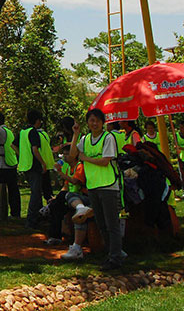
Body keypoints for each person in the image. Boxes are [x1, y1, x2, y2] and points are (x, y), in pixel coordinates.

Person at [70, 108, 124, 270]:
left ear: (103, 122)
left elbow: (106, 161)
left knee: (112, 223)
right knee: (101, 223)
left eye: (97, 121)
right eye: (91, 120)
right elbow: (73, 154)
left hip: (108, 185)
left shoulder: (108, 138)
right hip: (93, 185)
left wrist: (86, 158)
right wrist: (75, 135)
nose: (94, 124)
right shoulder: (85, 139)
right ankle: (111, 253)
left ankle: (115, 257)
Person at [18, 110, 52, 228]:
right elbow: (35, 149)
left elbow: (13, 144)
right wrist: (43, 162)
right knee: (36, 193)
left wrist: (21, 155)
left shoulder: (23, 132)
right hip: (33, 165)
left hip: (25, 165)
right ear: (37, 121)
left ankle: (38, 218)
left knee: (36, 192)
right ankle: (31, 220)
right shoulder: (33, 132)